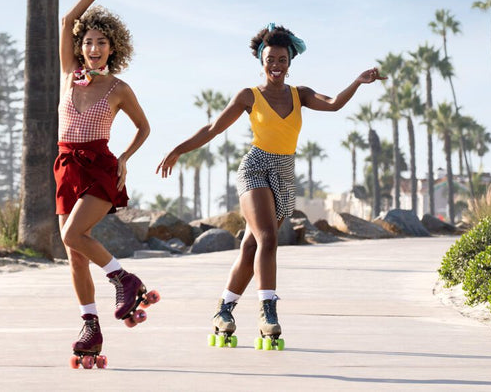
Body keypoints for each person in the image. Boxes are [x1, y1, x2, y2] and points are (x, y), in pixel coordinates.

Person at [156, 23, 385, 350]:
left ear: (289, 62)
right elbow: (213, 127)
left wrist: (358, 82)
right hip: (254, 168)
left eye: (281, 60)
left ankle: (223, 311)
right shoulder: (249, 96)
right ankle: (268, 312)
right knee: (267, 238)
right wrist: (178, 148)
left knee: (252, 247)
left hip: (284, 175)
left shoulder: (300, 94)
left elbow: (334, 103)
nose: (275, 66)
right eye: (269, 60)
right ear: (261, 61)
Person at [56, 0, 155, 368]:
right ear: (80, 47)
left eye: (101, 43)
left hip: (99, 166)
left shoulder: (118, 89)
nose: (94, 48)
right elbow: (66, 21)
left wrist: (126, 159)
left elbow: (144, 128)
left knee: (73, 232)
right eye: (88, 42)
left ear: (113, 48)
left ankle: (124, 279)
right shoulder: (69, 76)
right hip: (65, 165)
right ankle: (90, 326)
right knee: (74, 251)